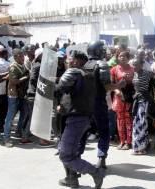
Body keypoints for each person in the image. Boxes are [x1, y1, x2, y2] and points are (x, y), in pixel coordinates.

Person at [56, 50, 105, 189]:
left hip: (75, 120)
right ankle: (71, 179)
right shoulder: (86, 75)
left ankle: (96, 172)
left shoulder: (74, 73)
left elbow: (59, 88)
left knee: (65, 155)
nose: (67, 62)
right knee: (69, 152)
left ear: (76, 61)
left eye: (69, 59)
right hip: (78, 119)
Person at [85, 41, 126, 169]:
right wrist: (118, 85)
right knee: (104, 131)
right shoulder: (102, 64)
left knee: (82, 132)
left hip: (85, 103)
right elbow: (107, 86)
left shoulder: (85, 64)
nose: (104, 51)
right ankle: (101, 159)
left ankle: (75, 159)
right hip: (98, 103)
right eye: (102, 49)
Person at [131, 58, 155, 155]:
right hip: (137, 101)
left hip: (145, 101)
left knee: (141, 124)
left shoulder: (147, 73)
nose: (134, 66)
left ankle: (142, 148)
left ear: (141, 65)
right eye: (133, 64)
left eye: (136, 64)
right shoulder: (134, 73)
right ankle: (138, 147)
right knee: (137, 124)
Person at [3, 48, 29, 147]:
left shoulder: (22, 65)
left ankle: (18, 132)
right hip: (13, 95)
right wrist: (25, 77)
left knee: (24, 113)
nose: (23, 57)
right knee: (10, 117)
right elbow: (14, 81)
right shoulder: (13, 67)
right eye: (21, 56)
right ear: (15, 57)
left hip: (21, 95)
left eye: (23, 55)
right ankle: (6, 138)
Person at [110, 51, 134, 150]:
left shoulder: (133, 69)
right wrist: (117, 91)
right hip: (119, 97)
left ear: (128, 58)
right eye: (120, 56)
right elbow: (111, 84)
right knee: (120, 120)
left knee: (129, 119)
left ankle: (129, 142)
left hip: (129, 97)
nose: (122, 58)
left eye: (124, 56)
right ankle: (122, 141)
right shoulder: (114, 69)